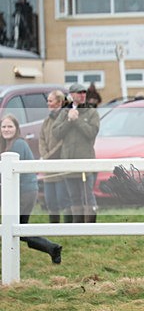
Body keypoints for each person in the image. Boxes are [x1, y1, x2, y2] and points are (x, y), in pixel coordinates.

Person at [1, 114, 62, 263]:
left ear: (16, 129)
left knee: (17, 229)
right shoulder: (8, 144)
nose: (6, 129)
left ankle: (52, 248)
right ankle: (52, 249)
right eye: (3, 126)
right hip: (21, 192)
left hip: (24, 193)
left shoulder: (18, 145)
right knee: (19, 229)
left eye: (10, 126)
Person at [52, 83, 100, 223]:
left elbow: (91, 133)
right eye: (79, 93)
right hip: (68, 161)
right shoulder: (64, 112)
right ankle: (77, 225)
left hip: (85, 161)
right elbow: (56, 133)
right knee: (74, 196)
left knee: (87, 195)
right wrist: (68, 120)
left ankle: (90, 225)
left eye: (84, 92)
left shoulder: (91, 112)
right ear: (72, 95)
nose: (82, 95)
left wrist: (77, 120)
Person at [39, 89, 71, 223]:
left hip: (60, 167)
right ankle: (54, 227)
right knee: (51, 201)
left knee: (63, 200)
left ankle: (68, 228)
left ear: (59, 102)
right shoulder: (46, 121)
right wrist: (44, 155)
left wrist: (48, 157)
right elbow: (41, 139)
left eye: (50, 101)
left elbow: (63, 141)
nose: (48, 103)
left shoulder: (65, 118)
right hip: (48, 169)